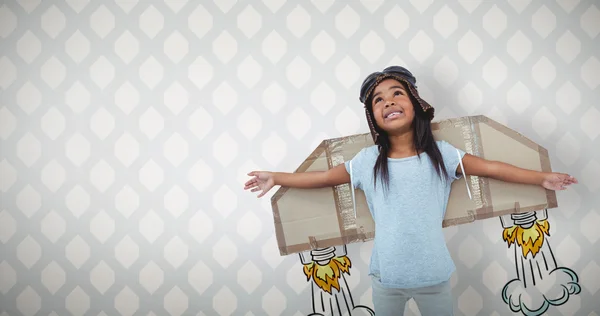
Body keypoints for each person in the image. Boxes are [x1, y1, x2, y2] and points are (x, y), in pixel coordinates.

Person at [243, 66, 577, 316]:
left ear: (415, 103)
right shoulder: (367, 161)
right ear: (373, 117)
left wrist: (540, 178)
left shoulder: (442, 155)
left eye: (396, 93)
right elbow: (323, 179)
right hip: (386, 279)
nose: (388, 101)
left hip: (434, 276)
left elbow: (493, 168)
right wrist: (277, 177)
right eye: (378, 100)